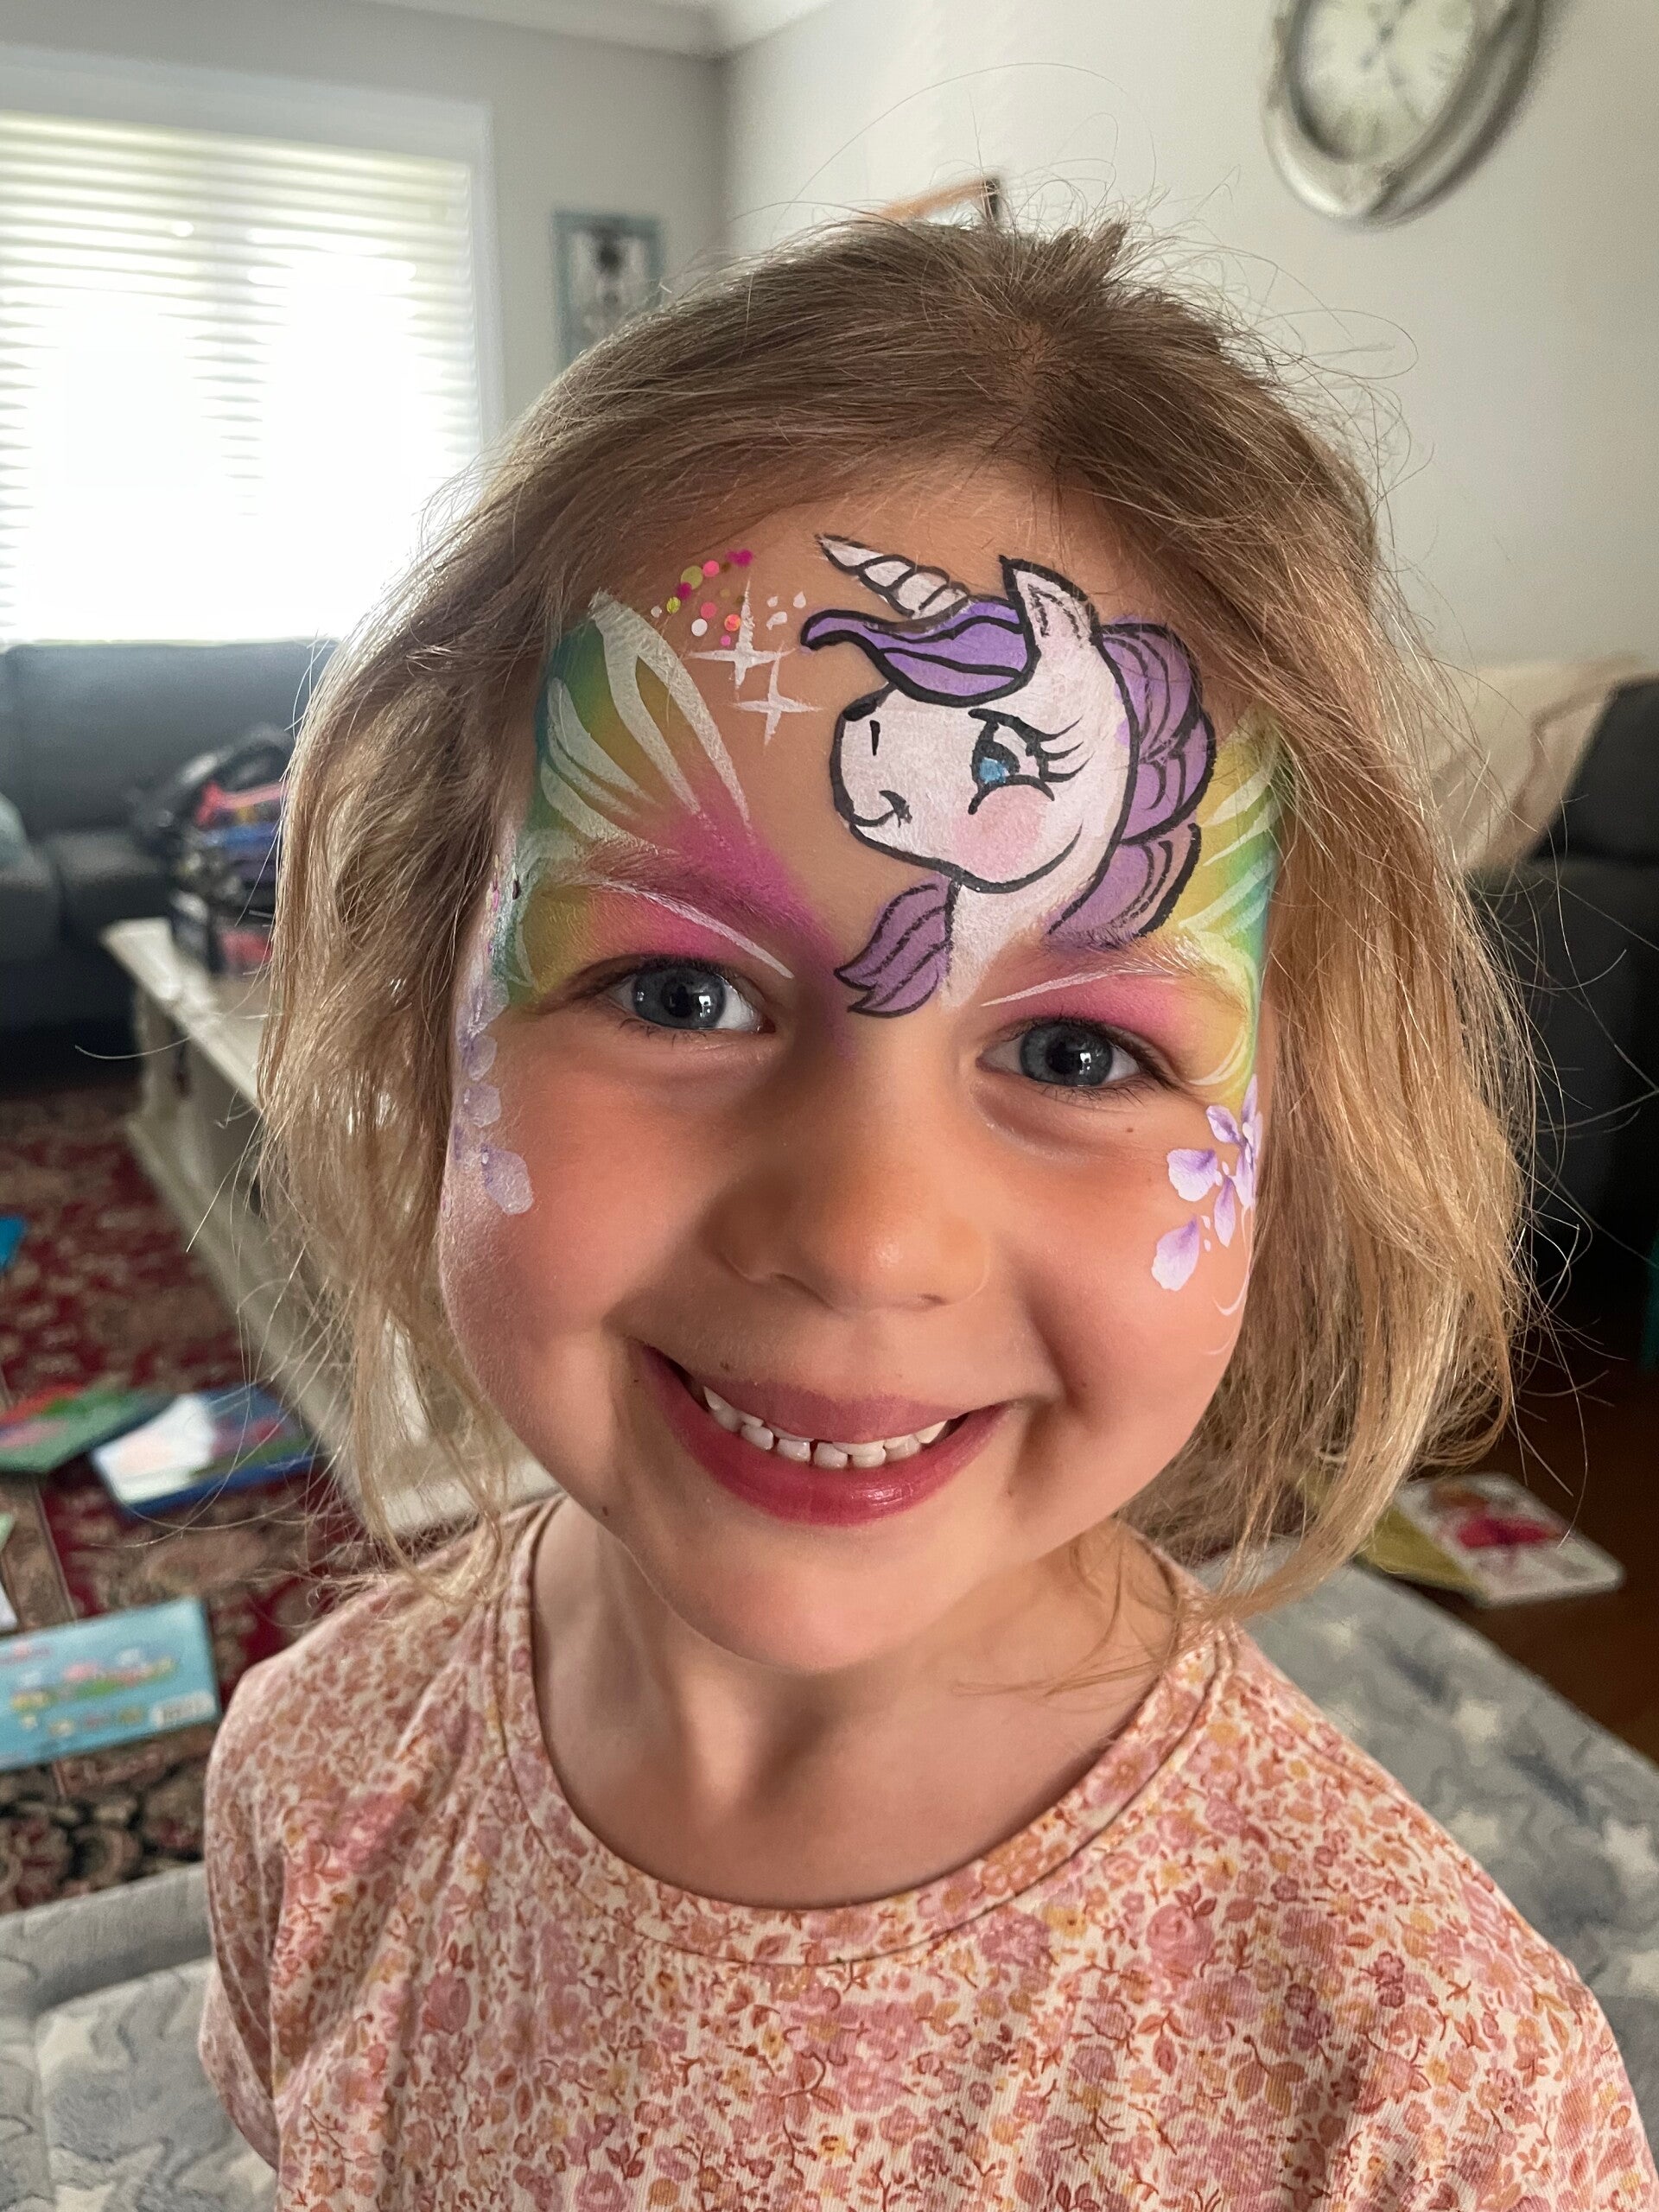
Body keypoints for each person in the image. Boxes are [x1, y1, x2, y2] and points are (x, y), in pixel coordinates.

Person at [198, 217, 1657, 2208]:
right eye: (676, 992)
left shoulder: (1422, 2096)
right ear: (416, 1012)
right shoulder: (316, 1775)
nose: (869, 1235)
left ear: (1294, 1137)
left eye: (1075, 1051)